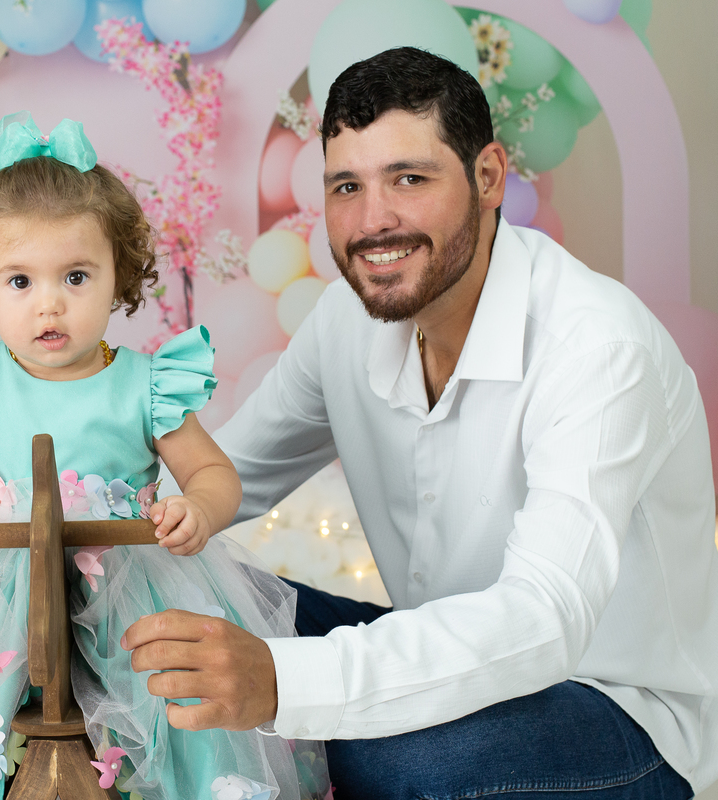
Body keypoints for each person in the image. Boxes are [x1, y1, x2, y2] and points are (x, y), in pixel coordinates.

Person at [122, 46, 717, 799]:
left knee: (399, 762)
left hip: (618, 710)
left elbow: (544, 619)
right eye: (347, 186)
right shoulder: (345, 320)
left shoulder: (597, 347)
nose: (374, 221)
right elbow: (220, 480)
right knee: (179, 609)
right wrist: (83, 530)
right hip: (451, 668)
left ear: (489, 177)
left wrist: (280, 680)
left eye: (409, 178)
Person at [0, 112, 329, 800]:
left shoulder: (147, 385)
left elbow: (213, 474)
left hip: (127, 586)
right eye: (20, 282)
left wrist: (199, 511)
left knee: (177, 713)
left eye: (77, 277)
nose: (50, 305)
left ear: (118, 275)